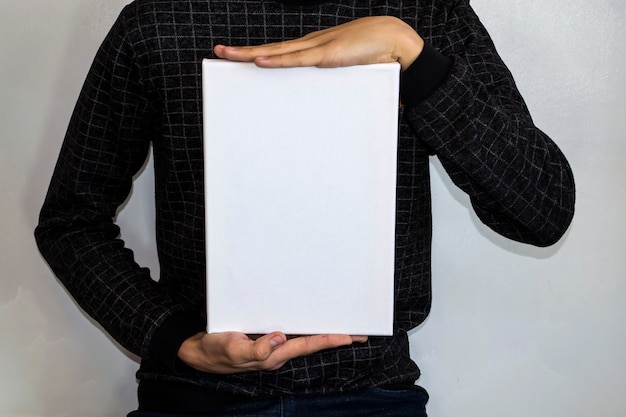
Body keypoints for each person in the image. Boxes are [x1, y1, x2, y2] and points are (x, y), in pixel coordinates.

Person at [35, 0, 575, 415]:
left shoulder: (425, 11)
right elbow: (70, 220)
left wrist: (409, 55)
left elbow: (542, 208)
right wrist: (173, 338)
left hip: (370, 394)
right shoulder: (159, 18)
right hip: (195, 396)